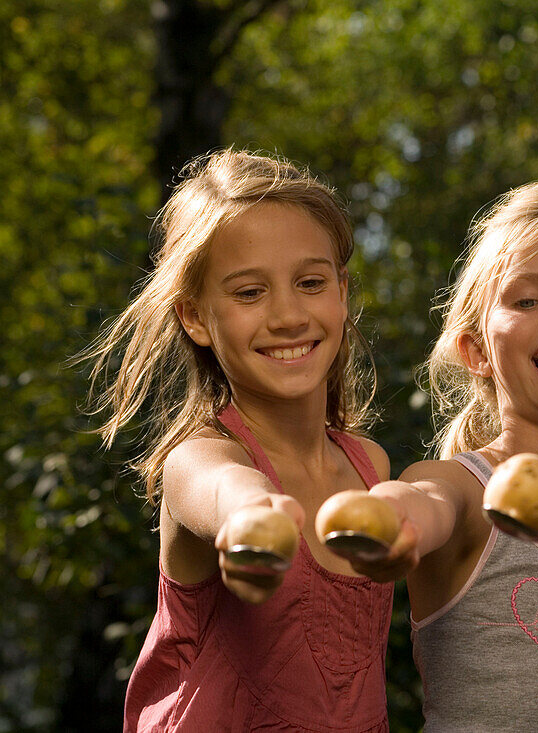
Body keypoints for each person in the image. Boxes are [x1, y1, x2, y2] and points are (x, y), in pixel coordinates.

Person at [86, 150, 392, 732]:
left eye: (310, 283)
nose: (287, 315)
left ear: (342, 291)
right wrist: (254, 518)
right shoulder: (199, 456)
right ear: (196, 317)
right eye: (249, 293)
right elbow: (223, 490)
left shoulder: (370, 465)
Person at [343, 179, 538, 731]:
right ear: (476, 350)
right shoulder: (465, 486)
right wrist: (390, 514)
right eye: (526, 299)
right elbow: (424, 500)